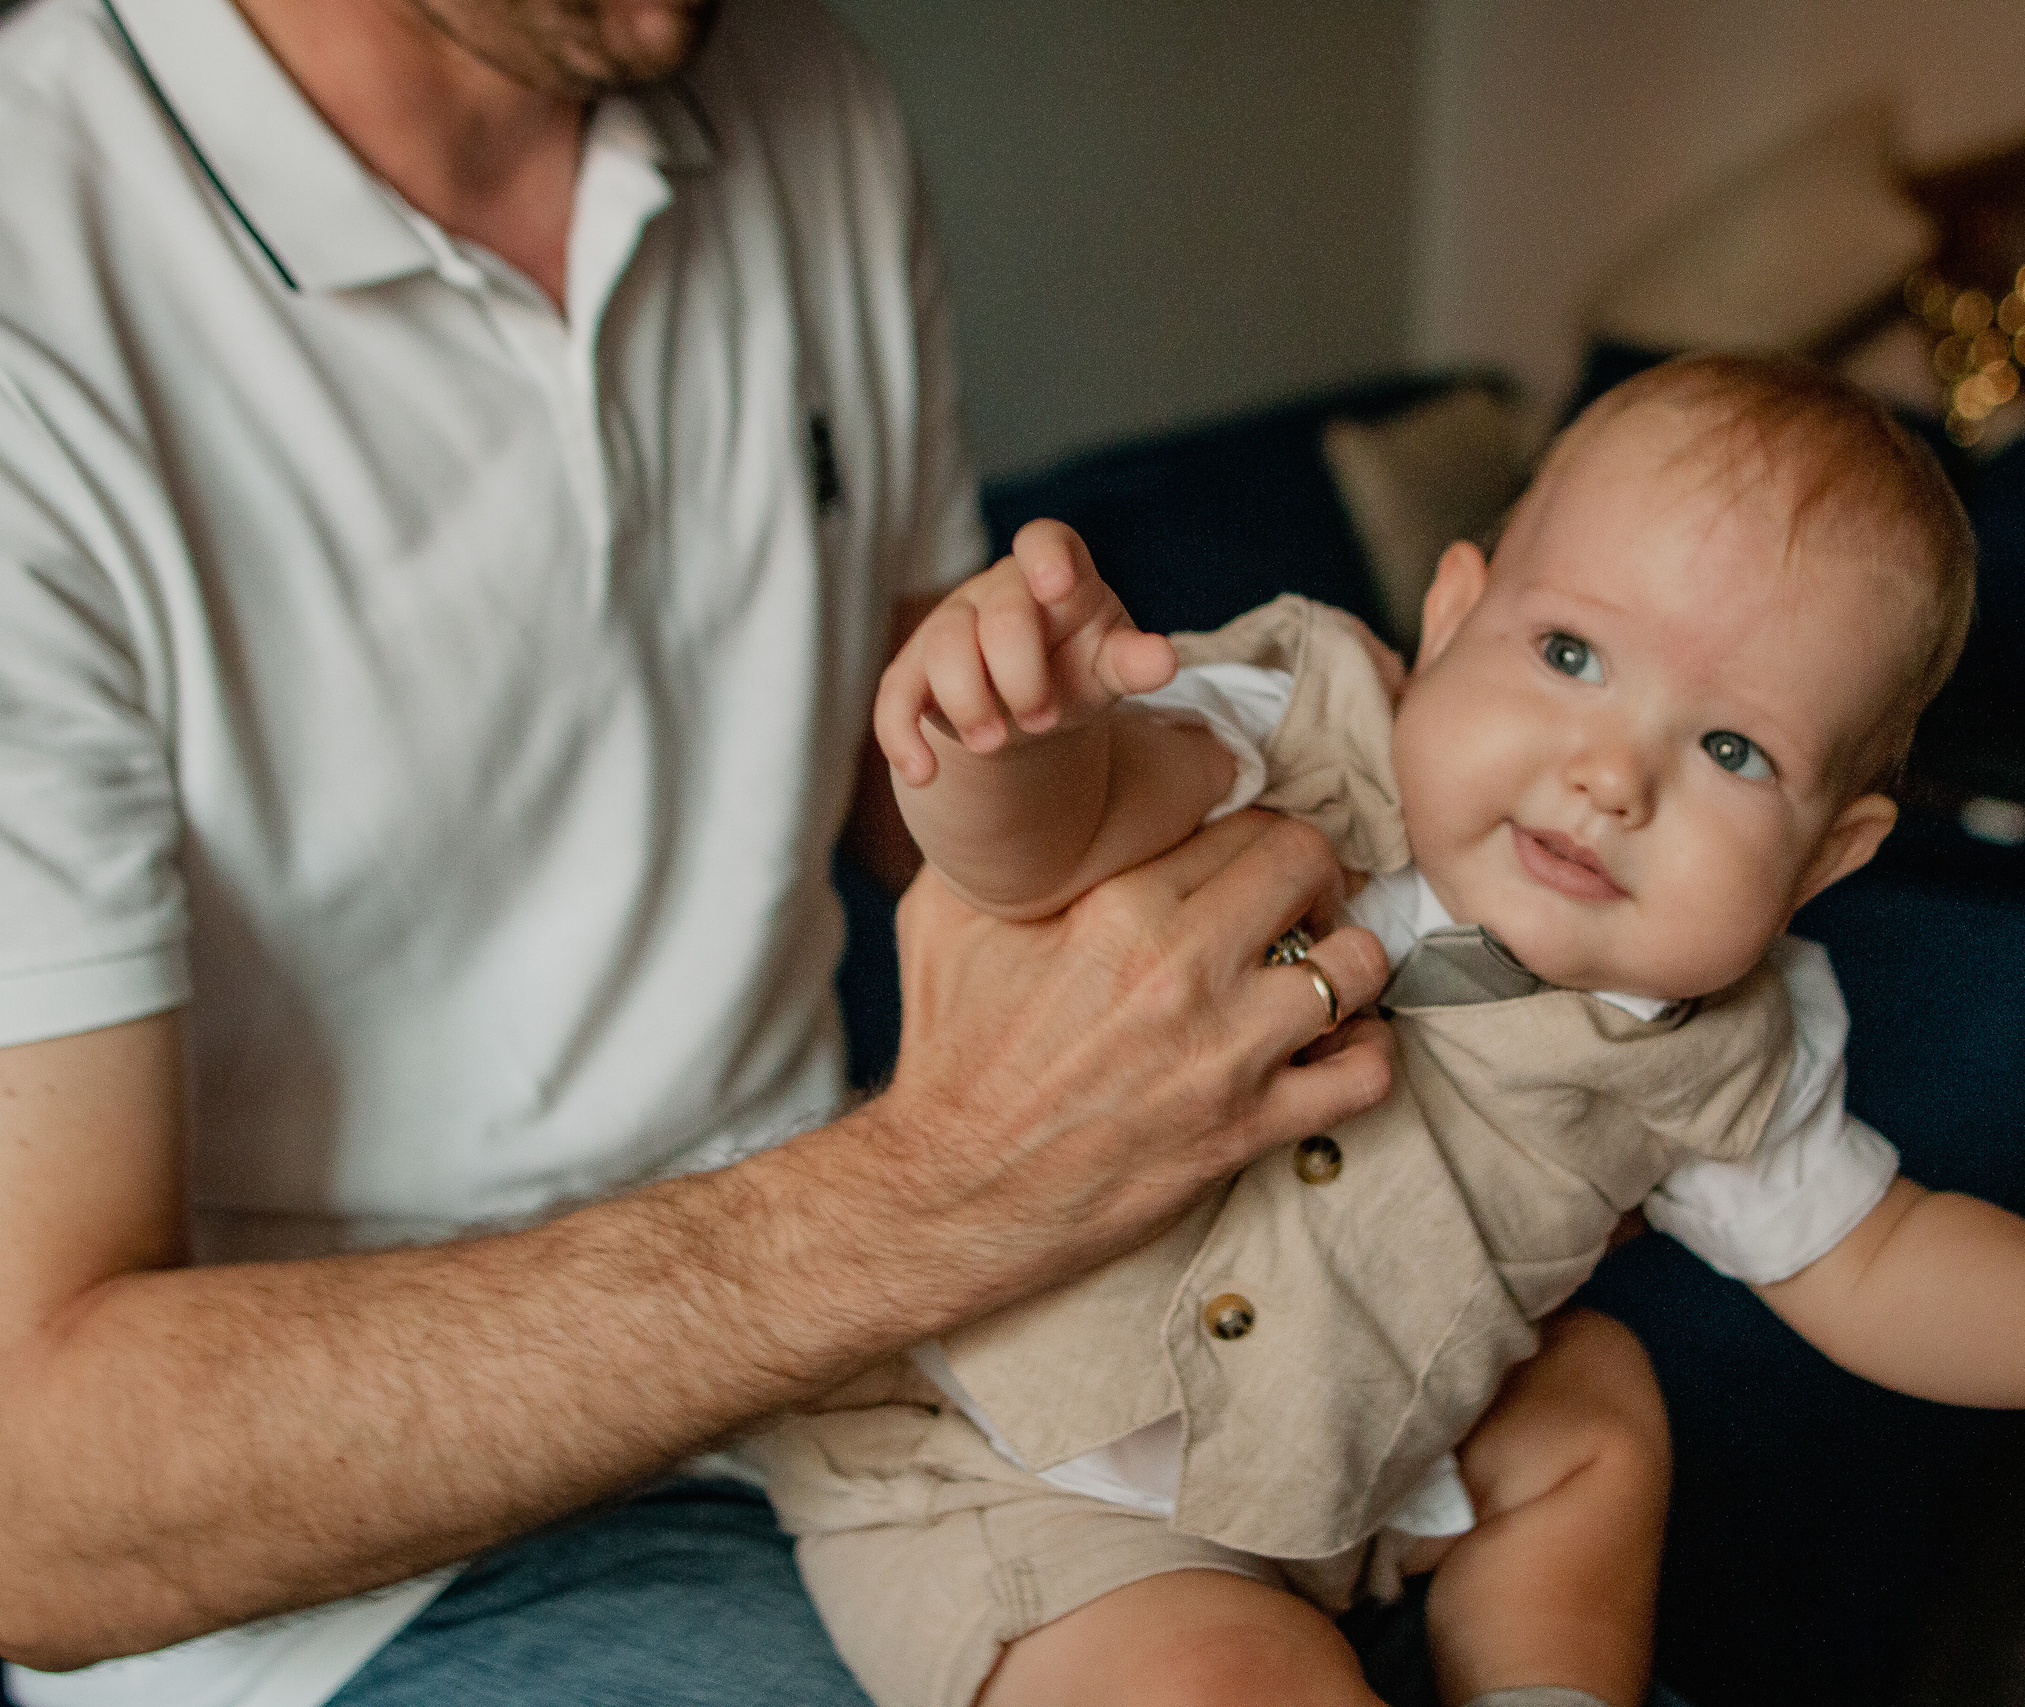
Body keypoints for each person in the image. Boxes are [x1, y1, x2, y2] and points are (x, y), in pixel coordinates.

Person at [0, 2, 1398, 1705]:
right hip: (363, 1589)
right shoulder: (37, 273)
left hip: (874, 1377)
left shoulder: (804, 97)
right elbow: (35, 1495)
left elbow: (950, 794)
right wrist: (941, 1191)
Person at [775, 353, 2025, 1707]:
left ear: (1830, 857)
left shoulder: (1722, 1042)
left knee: (1598, 1414)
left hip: (1332, 1476)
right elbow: (1051, 836)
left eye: (1729, 747)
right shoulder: (1300, 731)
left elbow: (1874, 1258)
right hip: (1009, 1462)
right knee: (1240, 1684)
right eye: (1571, 657)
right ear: (1449, 623)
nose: (1609, 776)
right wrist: (998, 742)